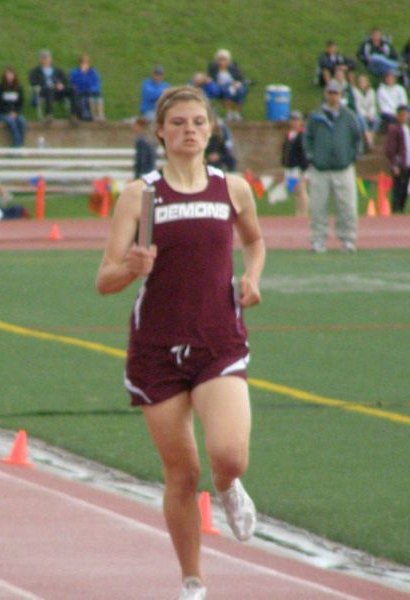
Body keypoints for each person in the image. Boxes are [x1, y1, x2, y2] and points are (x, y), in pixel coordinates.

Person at [96, 85, 265, 600]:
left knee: (228, 455)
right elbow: (104, 278)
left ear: (211, 130)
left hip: (218, 338)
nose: (189, 130)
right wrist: (130, 267)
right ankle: (192, 581)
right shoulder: (140, 195)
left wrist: (252, 277)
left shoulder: (232, 189)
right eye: (178, 123)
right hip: (157, 349)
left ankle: (230, 486)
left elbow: (255, 241)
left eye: (198, 122)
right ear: (161, 134)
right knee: (182, 473)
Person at [303, 79, 362, 253]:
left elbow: (357, 138)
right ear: (325, 94)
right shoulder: (315, 116)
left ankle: (348, 239)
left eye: (336, 93)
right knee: (317, 207)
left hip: (343, 168)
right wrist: (312, 157)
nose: (333, 96)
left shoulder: (349, 116)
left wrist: (351, 157)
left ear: (341, 95)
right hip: (320, 169)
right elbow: (307, 138)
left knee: (347, 206)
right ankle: (318, 239)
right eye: (330, 92)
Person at [28, 49, 77, 121]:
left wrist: (61, 84)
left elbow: (66, 81)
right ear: (40, 60)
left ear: (51, 59)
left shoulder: (57, 70)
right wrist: (45, 85)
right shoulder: (35, 71)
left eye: (47, 58)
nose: (46, 60)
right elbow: (33, 82)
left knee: (73, 89)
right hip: (44, 91)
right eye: (44, 58)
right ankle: (49, 115)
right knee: (49, 89)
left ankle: (73, 114)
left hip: (58, 91)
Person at [383, 105, 410, 213]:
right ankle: (396, 209)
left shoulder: (408, 129)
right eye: (402, 115)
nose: (404, 117)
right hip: (399, 164)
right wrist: (394, 164)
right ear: (397, 116)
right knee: (398, 189)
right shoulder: (394, 129)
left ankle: (401, 209)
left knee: (405, 189)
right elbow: (390, 149)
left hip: (409, 163)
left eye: (406, 114)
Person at [281, 111, 310, 216]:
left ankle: (304, 213)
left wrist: (304, 169)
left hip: (300, 167)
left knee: (301, 190)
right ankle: (298, 212)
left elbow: (304, 153)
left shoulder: (302, 135)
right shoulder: (289, 135)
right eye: (292, 120)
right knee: (296, 192)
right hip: (290, 167)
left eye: (296, 120)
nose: (294, 122)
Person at [206, 49, 248, 121]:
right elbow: (210, 78)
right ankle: (228, 112)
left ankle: (236, 113)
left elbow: (241, 79)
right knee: (227, 91)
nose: (222, 62)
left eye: (224, 60)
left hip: (233, 85)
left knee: (241, 91)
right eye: (220, 60)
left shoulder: (233, 68)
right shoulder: (213, 68)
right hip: (220, 86)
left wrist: (238, 83)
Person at [0, 66, 26, 147]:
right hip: (2, 113)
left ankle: (21, 143)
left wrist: (16, 112)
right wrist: (7, 113)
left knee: (22, 121)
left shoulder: (18, 88)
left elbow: (20, 103)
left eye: (11, 74)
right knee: (11, 123)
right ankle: (16, 143)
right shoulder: (1, 87)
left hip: (14, 113)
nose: (9, 76)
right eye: (7, 74)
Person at [69, 53, 104, 121]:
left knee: (98, 95)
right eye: (83, 62)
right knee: (89, 96)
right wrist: (82, 75)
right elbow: (73, 83)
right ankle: (93, 115)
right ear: (80, 63)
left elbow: (97, 83)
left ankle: (100, 115)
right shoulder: (75, 72)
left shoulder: (93, 72)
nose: (85, 64)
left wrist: (92, 88)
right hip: (80, 91)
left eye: (86, 62)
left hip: (91, 91)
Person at [351, 73, 378, 148]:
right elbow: (358, 106)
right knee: (361, 118)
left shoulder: (371, 91)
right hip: (361, 113)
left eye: (363, 81)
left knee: (377, 119)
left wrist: (371, 115)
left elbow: (372, 105)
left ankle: (371, 139)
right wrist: (366, 115)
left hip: (370, 114)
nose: (362, 83)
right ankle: (369, 141)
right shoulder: (355, 91)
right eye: (360, 81)